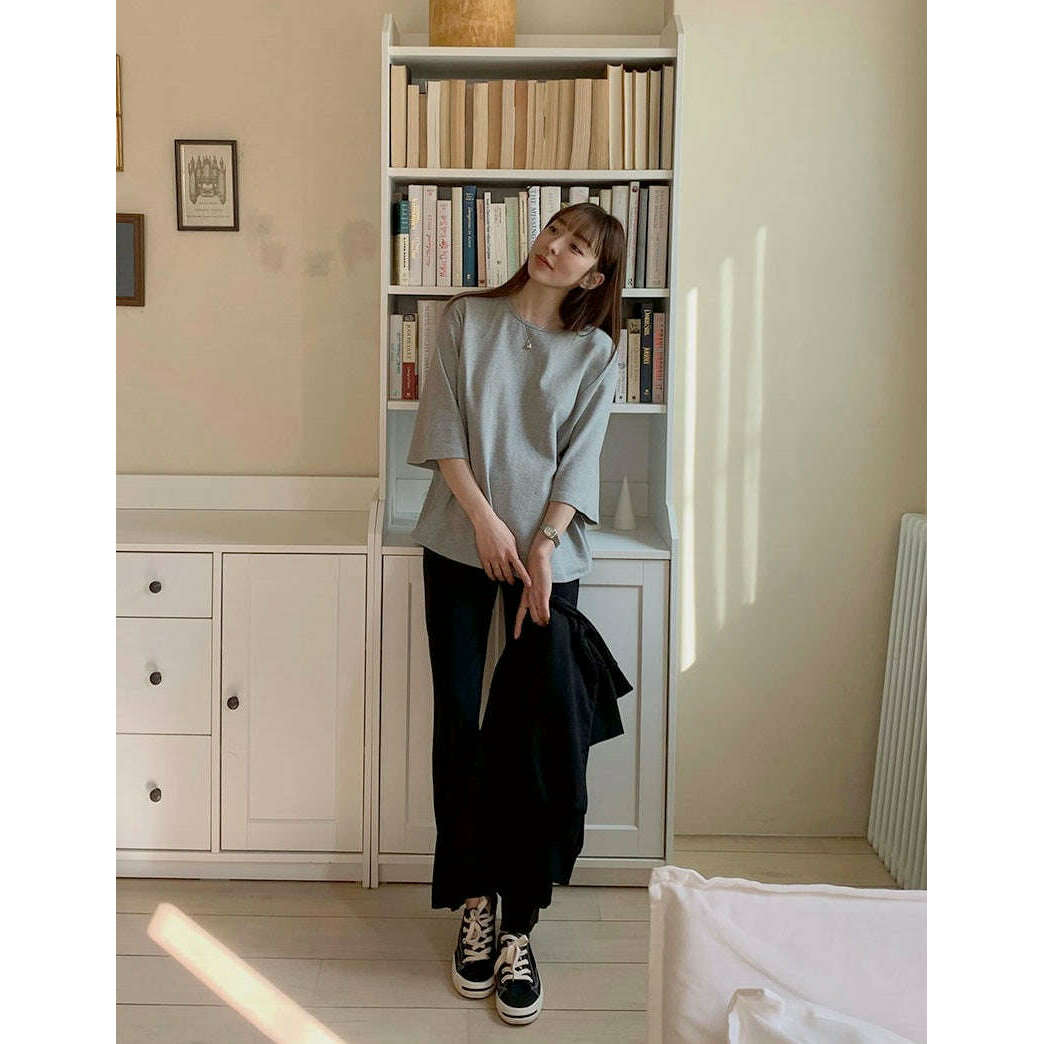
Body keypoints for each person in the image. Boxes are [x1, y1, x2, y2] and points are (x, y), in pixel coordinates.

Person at [406, 201, 627, 1027]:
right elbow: (445, 430)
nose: (554, 248)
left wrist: (542, 543)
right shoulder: (466, 319)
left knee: (537, 735)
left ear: (595, 276)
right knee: (459, 721)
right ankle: (474, 903)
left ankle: (519, 927)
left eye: (576, 247)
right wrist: (485, 522)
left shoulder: (595, 352)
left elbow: (581, 459)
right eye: (554, 231)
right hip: (460, 538)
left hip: (545, 556)